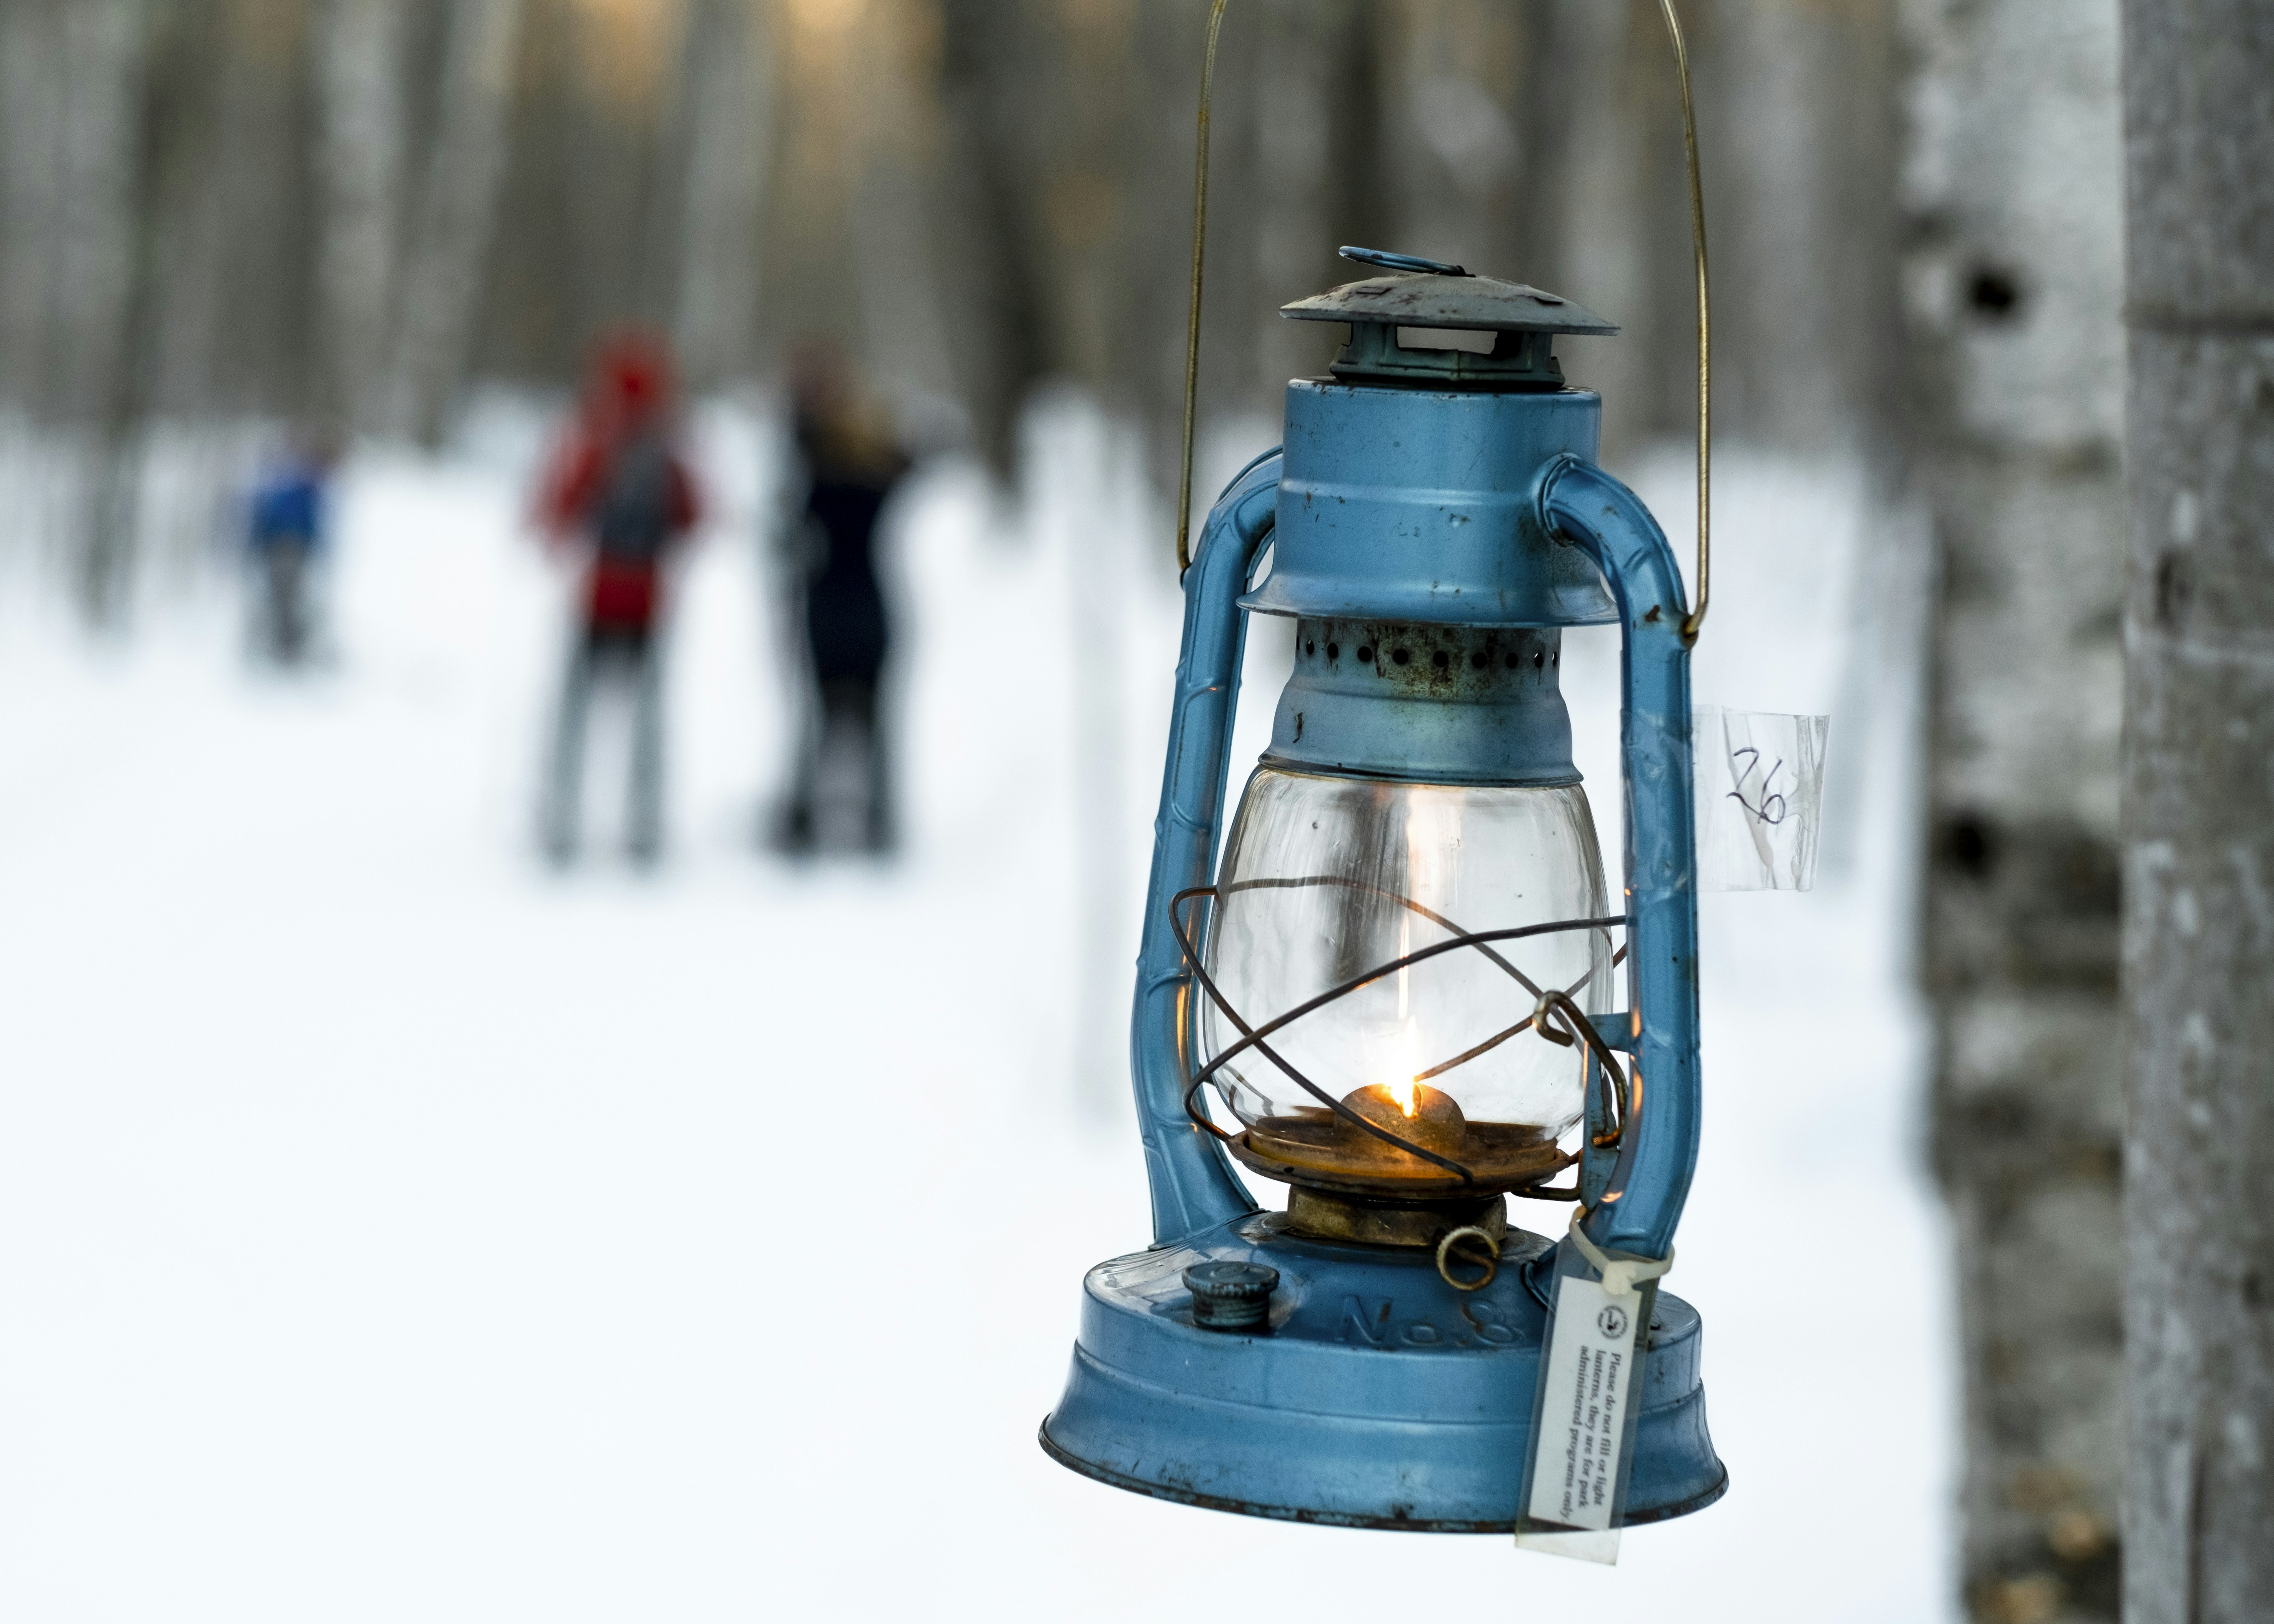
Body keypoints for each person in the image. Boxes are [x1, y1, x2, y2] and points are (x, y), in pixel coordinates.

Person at [535, 334, 701, 866]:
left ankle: (562, 820)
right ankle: (643, 825)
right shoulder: (667, 444)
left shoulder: (595, 440)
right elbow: (694, 517)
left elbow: (558, 512)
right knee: (647, 719)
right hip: (651, 600)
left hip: (597, 597)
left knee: (574, 714)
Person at [774, 344, 911, 856]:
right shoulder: (876, 471)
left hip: (828, 606)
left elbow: (788, 530)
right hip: (873, 606)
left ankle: (806, 819)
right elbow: (910, 459)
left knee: (818, 717)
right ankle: (878, 823)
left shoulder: (817, 473)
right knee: (873, 720)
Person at [247, 431, 339, 664]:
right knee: (284, 598)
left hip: (292, 549)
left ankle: (287, 646)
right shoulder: (292, 482)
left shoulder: (299, 483)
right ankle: (283, 647)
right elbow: (274, 516)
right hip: (285, 548)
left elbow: (310, 519)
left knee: (288, 598)